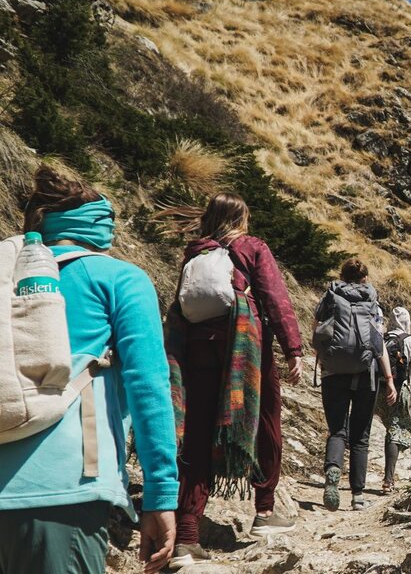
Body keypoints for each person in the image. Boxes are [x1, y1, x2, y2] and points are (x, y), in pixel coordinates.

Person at [0, 166, 178, 573]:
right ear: (100, 224)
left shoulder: (4, 282)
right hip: (64, 490)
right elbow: (149, 388)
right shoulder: (118, 278)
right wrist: (161, 496)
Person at [169, 194, 305, 567]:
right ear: (241, 218)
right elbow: (276, 299)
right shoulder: (251, 247)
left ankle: (187, 536)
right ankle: (264, 512)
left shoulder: (195, 252)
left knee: (196, 435)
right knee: (264, 422)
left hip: (197, 350)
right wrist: (293, 348)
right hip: (245, 349)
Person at [314, 258, 396, 512]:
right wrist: (390, 380)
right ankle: (358, 496)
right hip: (366, 374)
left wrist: (325, 358)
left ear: (342, 274)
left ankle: (333, 470)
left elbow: (316, 334)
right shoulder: (372, 301)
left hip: (333, 372)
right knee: (360, 436)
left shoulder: (330, 296)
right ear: (365, 278)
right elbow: (378, 343)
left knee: (337, 430)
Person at [375, 307, 411, 493]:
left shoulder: (381, 338)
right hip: (400, 390)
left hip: (378, 390)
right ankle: (388, 480)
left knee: (391, 428)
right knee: (396, 430)